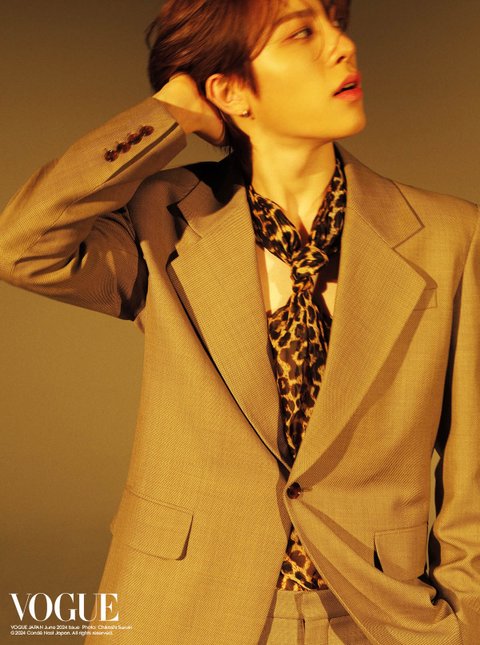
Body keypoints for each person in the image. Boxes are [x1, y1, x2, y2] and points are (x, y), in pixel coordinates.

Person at [0, 0, 478, 643]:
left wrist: (464, 623)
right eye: (302, 32)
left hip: (379, 613)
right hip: (181, 606)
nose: (342, 47)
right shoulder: (162, 220)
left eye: (336, 24)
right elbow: (23, 246)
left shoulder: (451, 236)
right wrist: (165, 115)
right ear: (230, 92)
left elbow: (473, 479)